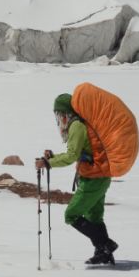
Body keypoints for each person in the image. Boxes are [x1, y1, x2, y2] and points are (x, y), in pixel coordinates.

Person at [35, 93, 119, 265]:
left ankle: (106, 245)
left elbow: (72, 155)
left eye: (58, 114)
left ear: (65, 113)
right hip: (100, 176)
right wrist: (51, 158)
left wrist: (47, 163)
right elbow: (78, 152)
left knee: (71, 215)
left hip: (94, 178)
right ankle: (103, 253)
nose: (58, 119)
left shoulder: (77, 126)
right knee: (94, 217)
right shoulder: (82, 124)